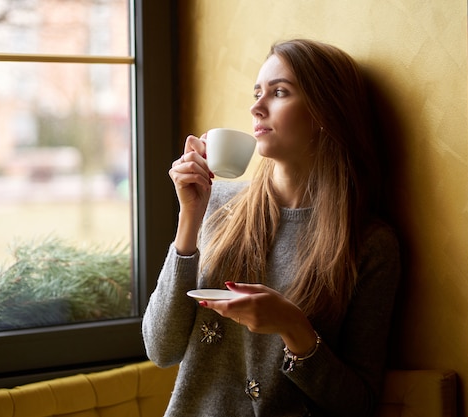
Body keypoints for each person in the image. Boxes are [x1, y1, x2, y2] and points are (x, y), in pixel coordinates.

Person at [142, 38, 401, 417]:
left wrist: (294, 328)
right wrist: (189, 219)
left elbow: (357, 404)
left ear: (325, 113)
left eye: (279, 93)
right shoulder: (217, 203)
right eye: (257, 92)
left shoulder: (371, 245)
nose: (256, 107)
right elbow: (160, 349)